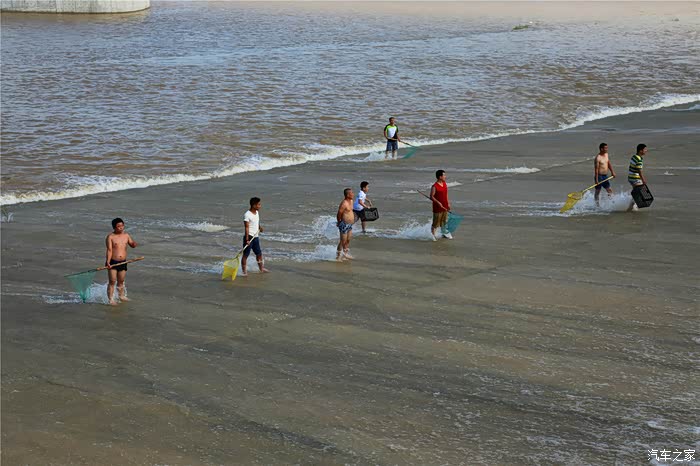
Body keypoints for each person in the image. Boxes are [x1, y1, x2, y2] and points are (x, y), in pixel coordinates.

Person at [105, 217, 138, 305]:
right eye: (119, 226)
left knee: (121, 281)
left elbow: (131, 244)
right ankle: (111, 299)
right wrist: (108, 262)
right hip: (112, 261)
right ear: (114, 227)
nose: (121, 228)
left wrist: (134, 244)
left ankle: (121, 296)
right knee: (112, 281)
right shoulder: (110, 237)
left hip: (123, 262)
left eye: (122, 226)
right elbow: (109, 250)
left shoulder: (126, 235)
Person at [242, 197, 269, 276]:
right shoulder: (247, 215)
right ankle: (244, 272)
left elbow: (256, 221)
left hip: (256, 237)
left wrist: (259, 227)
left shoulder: (257, 212)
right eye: (258, 204)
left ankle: (261, 269)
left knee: (259, 254)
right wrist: (247, 239)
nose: (260, 206)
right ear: (254, 205)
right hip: (249, 237)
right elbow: (246, 227)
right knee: (245, 255)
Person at [430, 170, 452, 241]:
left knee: (444, 221)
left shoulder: (444, 183)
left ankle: (444, 234)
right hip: (437, 207)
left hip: (445, 206)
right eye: (444, 175)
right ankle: (433, 236)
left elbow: (446, 194)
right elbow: (431, 196)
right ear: (440, 177)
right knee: (435, 223)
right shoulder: (434, 186)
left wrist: (448, 203)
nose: (445, 176)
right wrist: (438, 202)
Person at [627, 144, 648, 211]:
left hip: (630, 177)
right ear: (640, 150)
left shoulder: (634, 156)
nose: (646, 150)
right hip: (635, 179)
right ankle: (630, 208)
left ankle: (632, 208)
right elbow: (639, 171)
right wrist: (643, 180)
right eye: (645, 149)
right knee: (637, 194)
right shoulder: (639, 159)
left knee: (636, 193)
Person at [336, 187, 355, 260]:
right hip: (344, 224)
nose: (353, 194)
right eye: (351, 193)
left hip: (350, 224)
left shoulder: (351, 201)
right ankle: (338, 256)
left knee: (348, 240)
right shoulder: (344, 203)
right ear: (347, 195)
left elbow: (350, 211)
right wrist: (339, 222)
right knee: (342, 241)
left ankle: (345, 254)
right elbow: (339, 213)